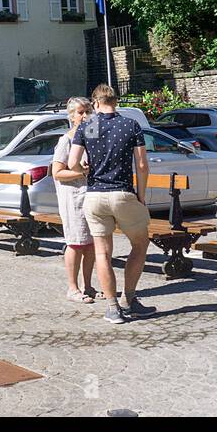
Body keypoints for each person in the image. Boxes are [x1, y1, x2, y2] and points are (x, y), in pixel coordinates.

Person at [68, 84, 153, 324]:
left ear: (95, 103)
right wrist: (141, 195)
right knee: (140, 243)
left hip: (94, 196)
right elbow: (143, 165)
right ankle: (130, 298)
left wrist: (83, 170)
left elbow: (73, 162)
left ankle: (113, 308)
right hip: (122, 194)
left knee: (103, 252)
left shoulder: (89, 126)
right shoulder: (130, 125)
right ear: (115, 101)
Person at [51, 97, 97, 304]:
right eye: (80, 112)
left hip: (93, 196)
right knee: (76, 242)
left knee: (91, 244)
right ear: (72, 116)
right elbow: (57, 173)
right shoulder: (66, 140)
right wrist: (80, 173)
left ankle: (89, 285)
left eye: (88, 110)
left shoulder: (93, 138)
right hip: (73, 198)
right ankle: (73, 287)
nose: (85, 115)